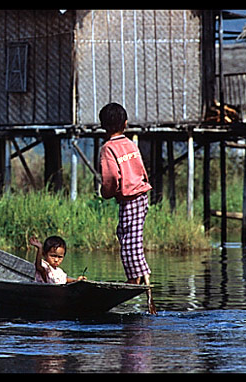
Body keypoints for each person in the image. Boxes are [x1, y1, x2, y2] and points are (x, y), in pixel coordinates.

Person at [98, 102, 157, 314]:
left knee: (129, 241)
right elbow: (141, 168)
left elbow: (111, 177)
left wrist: (107, 193)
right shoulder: (131, 144)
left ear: (103, 126)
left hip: (131, 197)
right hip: (141, 194)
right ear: (125, 123)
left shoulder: (108, 148)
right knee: (129, 236)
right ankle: (144, 278)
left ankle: (134, 279)